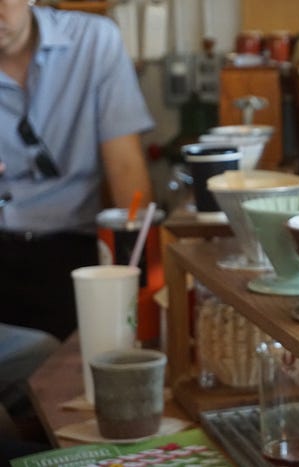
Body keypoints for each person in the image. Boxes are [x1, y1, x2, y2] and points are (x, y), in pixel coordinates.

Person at [0, 0, 154, 457]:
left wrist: (139, 280)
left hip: (74, 246)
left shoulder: (94, 41)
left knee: (85, 373)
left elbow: (127, 174)